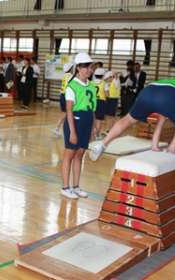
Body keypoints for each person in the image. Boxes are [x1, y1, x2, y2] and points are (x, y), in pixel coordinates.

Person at [89, 70, 175, 165]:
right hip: (167, 96)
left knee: (127, 120)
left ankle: (103, 144)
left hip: (148, 90)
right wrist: (172, 147)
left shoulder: (169, 81)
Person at [60, 52, 96, 199]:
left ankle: (76, 186)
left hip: (87, 122)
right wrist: (72, 132)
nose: (89, 70)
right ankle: (65, 187)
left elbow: (92, 109)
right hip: (74, 122)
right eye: (86, 67)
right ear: (78, 68)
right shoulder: (71, 86)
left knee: (80, 156)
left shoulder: (93, 86)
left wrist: (93, 128)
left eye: (90, 67)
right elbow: (68, 110)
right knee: (69, 155)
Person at [53, 62, 73, 137]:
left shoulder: (64, 76)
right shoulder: (70, 76)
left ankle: (58, 129)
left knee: (64, 114)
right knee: (67, 114)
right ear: (71, 69)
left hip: (62, 95)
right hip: (67, 96)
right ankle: (58, 128)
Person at [93, 67, 106, 140]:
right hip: (101, 102)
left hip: (92, 101)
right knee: (99, 119)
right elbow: (107, 94)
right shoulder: (104, 83)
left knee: (94, 118)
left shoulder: (91, 82)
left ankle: (94, 132)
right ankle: (97, 135)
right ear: (102, 75)